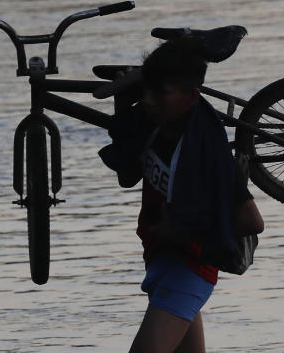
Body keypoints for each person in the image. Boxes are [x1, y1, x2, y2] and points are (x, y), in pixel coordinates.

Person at [97, 38, 264, 353]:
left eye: (161, 93)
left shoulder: (206, 153)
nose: (148, 100)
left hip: (188, 268)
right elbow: (127, 174)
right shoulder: (154, 128)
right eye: (147, 91)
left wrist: (182, 232)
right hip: (160, 260)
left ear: (192, 97)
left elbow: (251, 221)